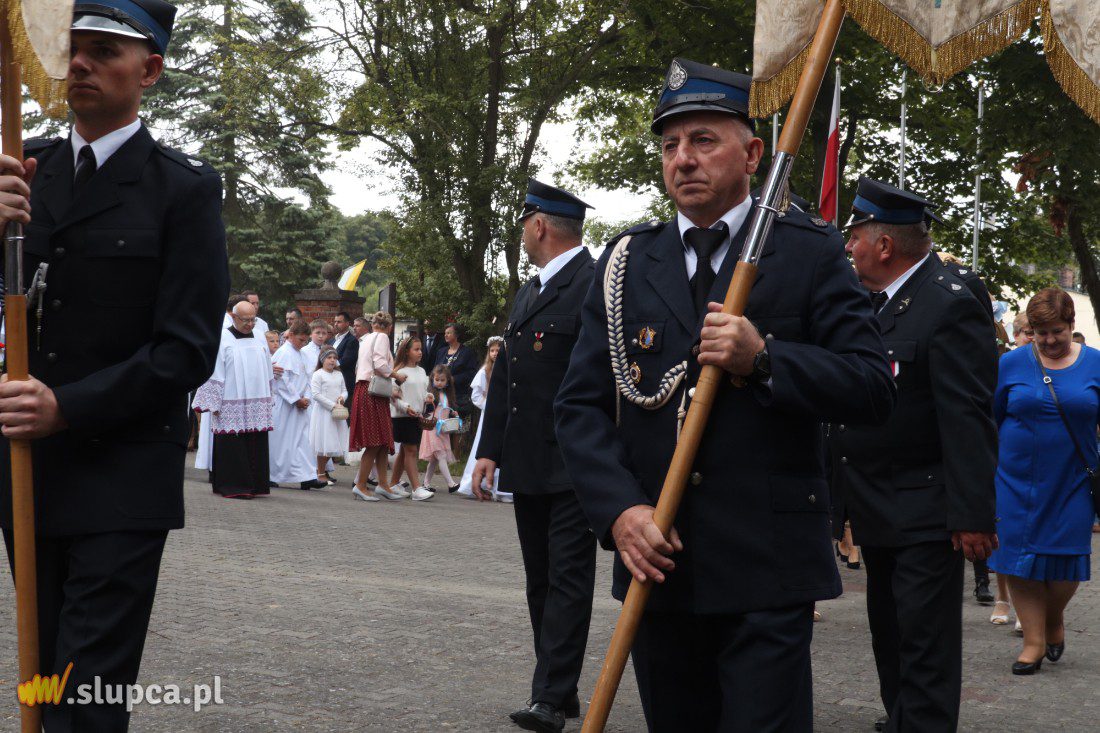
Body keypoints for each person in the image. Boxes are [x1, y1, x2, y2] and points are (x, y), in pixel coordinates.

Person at [554, 59, 895, 732]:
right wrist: (620, 511)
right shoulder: (625, 262)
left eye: (704, 140)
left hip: (766, 567)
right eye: (670, 145)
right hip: (660, 563)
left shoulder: (810, 252)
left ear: (753, 152)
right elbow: (579, 407)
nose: (683, 158)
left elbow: (869, 385)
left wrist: (765, 358)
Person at [0, 2, 229, 729]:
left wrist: (67, 405)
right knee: (41, 681)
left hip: (122, 476)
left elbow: (186, 349)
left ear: (150, 69)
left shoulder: (183, 190)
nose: (79, 64)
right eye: (73, 48)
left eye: (103, 52)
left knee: (85, 691)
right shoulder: (23, 166)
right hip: (30, 472)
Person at [833, 177, 998, 731]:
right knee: (890, 637)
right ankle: (903, 718)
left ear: (884, 245)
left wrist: (973, 514)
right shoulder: (869, 302)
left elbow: (968, 415)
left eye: (855, 235)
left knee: (925, 648)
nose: (848, 245)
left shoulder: (949, 302)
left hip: (927, 511)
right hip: (876, 504)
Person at [473, 178, 598, 732]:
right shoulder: (529, 292)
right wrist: (488, 450)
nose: (523, 232)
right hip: (528, 462)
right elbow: (507, 381)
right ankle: (561, 684)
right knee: (539, 579)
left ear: (540, 225)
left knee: (569, 578)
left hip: (576, 463)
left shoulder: (594, 285)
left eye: (526, 222)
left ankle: (548, 695)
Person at [989, 287, 1099, 674]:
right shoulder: (1011, 364)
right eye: (1040, 332)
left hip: (1072, 480)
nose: (1049, 340)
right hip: (1014, 480)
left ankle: (1053, 617)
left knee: (1067, 558)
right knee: (1018, 561)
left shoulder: (1096, 365)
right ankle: (1034, 642)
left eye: (1057, 331)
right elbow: (994, 417)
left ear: (1072, 325)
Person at [193, 301, 274, 499]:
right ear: (234, 317)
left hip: (257, 399)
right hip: (231, 399)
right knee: (233, 444)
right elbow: (215, 369)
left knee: (255, 442)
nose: (249, 324)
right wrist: (213, 400)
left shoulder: (259, 339)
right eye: (245, 320)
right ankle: (233, 485)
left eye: (253, 319)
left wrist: (270, 394)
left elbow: (267, 369)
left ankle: (255, 484)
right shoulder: (223, 338)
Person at [350, 311, 403, 501]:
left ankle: (383, 484)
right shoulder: (381, 337)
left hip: (365, 389)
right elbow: (380, 364)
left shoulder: (366, 339)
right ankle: (361, 485)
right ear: (389, 328)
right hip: (371, 392)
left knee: (381, 441)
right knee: (374, 441)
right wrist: (396, 376)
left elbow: (360, 368)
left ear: (373, 325)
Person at [270, 322, 326, 490]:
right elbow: (281, 381)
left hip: (300, 404)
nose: (303, 343)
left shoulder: (301, 354)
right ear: (291, 335)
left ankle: (307, 476)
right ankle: (271, 474)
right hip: (285, 405)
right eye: (301, 339)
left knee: (302, 441)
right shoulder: (283, 353)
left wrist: (307, 398)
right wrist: (295, 399)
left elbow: (309, 378)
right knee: (281, 442)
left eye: (305, 340)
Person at [457, 336, 506, 501]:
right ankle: (476, 482)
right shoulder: (485, 371)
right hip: (489, 415)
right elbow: (476, 396)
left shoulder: (507, 370)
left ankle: (500, 487)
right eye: (492, 350)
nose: (495, 353)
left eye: (498, 350)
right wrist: (491, 406)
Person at [389, 336, 432, 501]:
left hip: (417, 416)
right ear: (406, 352)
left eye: (421, 349)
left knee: (405, 452)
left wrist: (428, 396)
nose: (420, 352)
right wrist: (406, 407)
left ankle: (393, 483)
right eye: (416, 349)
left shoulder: (421, 371)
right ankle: (416, 488)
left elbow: (422, 391)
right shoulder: (399, 373)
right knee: (411, 450)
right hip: (403, 416)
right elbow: (393, 397)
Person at [309, 347, 349, 486]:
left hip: (337, 414)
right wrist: (332, 405)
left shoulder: (338, 374)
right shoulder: (318, 374)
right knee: (324, 442)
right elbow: (316, 394)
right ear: (322, 360)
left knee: (334, 443)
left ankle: (320, 471)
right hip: (324, 413)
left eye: (334, 358)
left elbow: (344, 390)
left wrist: (342, 398)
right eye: (329, 358)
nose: (332, 360)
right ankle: (320, 473)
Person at [421, 365, 460, 491]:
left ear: (448, 381)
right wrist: (427, 402)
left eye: (442, 380)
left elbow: (448, 409)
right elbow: (426, 409)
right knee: (441, 455)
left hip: (443, 430)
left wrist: (453, 413)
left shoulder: (446, 395)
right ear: (432, 379)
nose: (439, 382)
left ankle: (426, 484)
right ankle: (450, 484)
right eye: (437, 379)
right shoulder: (431, 395)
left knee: (434, 460)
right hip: (433, 428)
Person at [433, 322, 478, 416]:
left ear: (456, 335)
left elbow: (472, 373)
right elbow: (435, 371)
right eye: (445, 333)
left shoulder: (467, 352)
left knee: (454, 426)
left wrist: (454, 379)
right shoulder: (441, 351)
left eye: (449, 333)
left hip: (458, 396)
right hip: (440, 396)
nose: (446, 335)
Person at [333, 311, 359, 397]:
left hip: (345, 381)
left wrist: (328, 365)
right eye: (335, 321)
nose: (336, 324)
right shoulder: (335, 339)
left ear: (347, 323)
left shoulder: (352, 341)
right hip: (333, 380)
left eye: (339, 322)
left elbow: (345, 361)